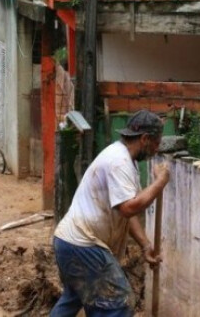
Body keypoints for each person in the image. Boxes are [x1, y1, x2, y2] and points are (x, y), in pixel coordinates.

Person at [51, 109, 171, 316]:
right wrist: (160, 182)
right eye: (156, 143)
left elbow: (124, 211)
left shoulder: (123, 159)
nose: (157, 149)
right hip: (83, 244)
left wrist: (144, 245)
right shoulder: (119, 161)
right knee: (117, 304)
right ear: (144, 139)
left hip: (69, 242)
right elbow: (129, 208)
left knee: (74, 297)